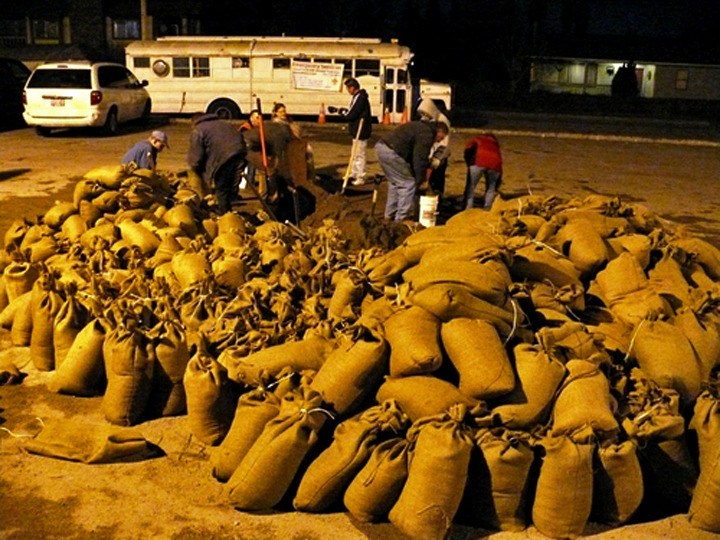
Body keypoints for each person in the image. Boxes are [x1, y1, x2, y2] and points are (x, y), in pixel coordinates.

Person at [375, 120, 449, 222]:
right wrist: (421, 181)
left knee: (395, 183)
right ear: (439, 131)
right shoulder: (426, 134)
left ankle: (388, 216)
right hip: (393, 152)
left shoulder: (420, 126)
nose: (440, 141)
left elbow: (413, 155)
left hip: (382, 147)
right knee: (408, 184)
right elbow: (419, 159)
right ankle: (400, 220)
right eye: (441, 137)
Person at [187, 112, 247, 214]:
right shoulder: (223, 123)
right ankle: (230, 204)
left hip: (225, 157)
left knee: (221, 188)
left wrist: (195, 168)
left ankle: (225, 215)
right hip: (240, 152)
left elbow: (196, 154)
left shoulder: (199, 129)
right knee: (230, 185)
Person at [338, 77, 372, 186]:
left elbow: (353, 114)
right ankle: (354, 172)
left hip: (361, 131)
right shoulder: (357, 97)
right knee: (355, 153)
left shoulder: (360, 97)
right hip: (356, 129)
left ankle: (360, 176)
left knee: (359, 154)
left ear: (353, 87)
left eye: (348, 88)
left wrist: (344, 115)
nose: (348, 91)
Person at [416, 98, 451, 195]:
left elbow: (443, 143)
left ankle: (438, 200)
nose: (424, 117)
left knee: (437, 181)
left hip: (440, 156)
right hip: (430, 154)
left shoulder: (443, 121)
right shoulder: (428, 121)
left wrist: (436, 159)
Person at [463, 132, 503, 210]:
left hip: (479, 162)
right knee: (491, 188)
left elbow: (467, 150)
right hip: (495, 165)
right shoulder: (495, 144)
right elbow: (499, 160)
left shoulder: (476, 139)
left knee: (470, 187)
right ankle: (487, 208)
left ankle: (468, 208)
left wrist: (469, 164)